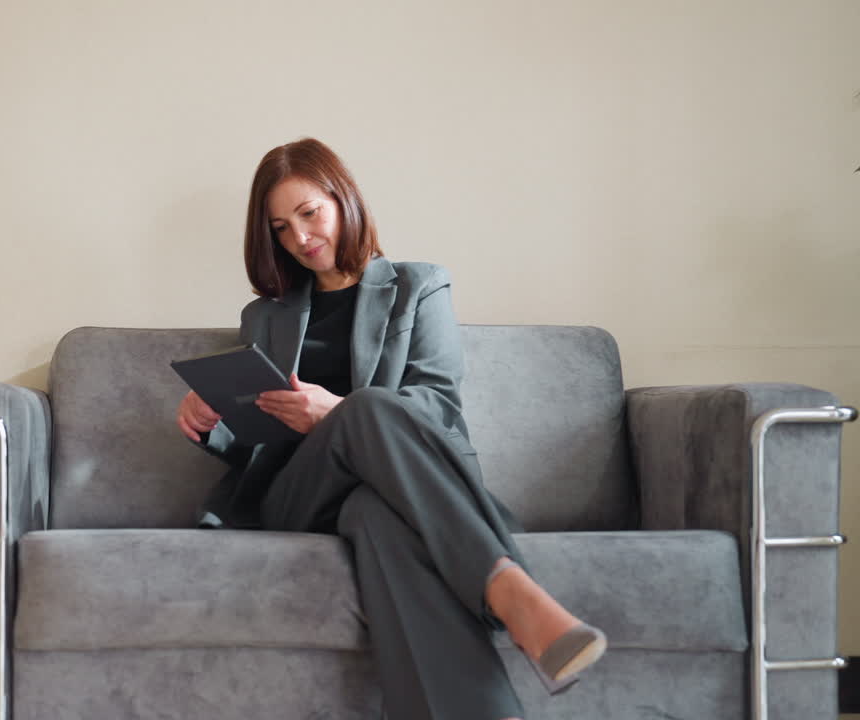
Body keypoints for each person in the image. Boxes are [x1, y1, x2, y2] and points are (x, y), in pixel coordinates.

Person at [175, 138, 606, 720]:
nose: (300, 238)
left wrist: (338, 410)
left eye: (310, 213)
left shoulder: (419, 286)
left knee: (376, 515)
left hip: (384, 495)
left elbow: (438, 405)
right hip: (299, 493)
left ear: (343, 199)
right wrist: (211, 424)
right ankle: (508, 587)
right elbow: (258, 437)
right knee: (368, 406)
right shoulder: (264, 316)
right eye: (281, 227)